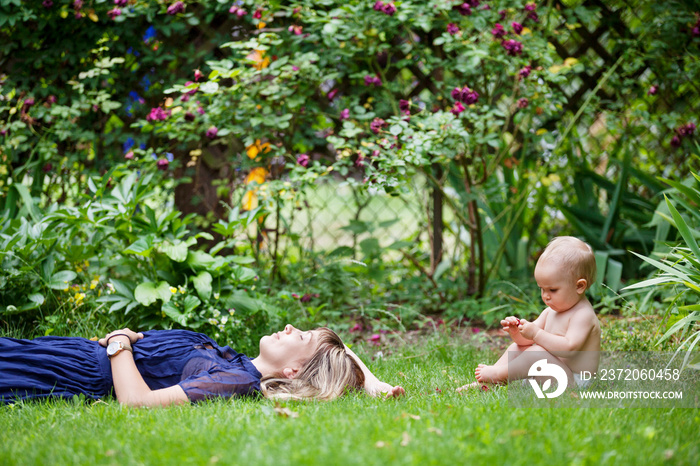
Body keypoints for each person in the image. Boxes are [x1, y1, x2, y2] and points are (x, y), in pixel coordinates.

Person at [1, 324, 404, 406]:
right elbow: (342, 347)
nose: (289, 326)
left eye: (299, 337)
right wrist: (374, 381)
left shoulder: (235, 379)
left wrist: (121, 343)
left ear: (294, 373)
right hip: (61, 350)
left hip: (65, 373)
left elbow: (136, 402)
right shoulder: (229, 357)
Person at [457, 236, 601, 391]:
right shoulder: (550, 312)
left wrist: (536, 334)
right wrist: (517, 332)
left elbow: (569, 349)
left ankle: (498, 374)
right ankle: (489, 384)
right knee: (515, 348)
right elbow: (524, 342)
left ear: (579, 286)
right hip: (553, 372)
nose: (545, 295)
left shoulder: (583, 315)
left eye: (552, 290)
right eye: (542, 289)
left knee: (537, 353)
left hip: (574, 382)